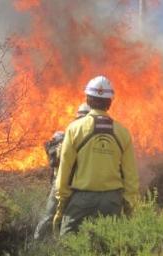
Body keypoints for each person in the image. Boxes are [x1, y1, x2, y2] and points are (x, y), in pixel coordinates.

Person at [54, 75, 139, 236]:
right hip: (112, 200)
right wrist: (129, 205)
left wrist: (62, 203)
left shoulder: (74, 129)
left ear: (88, 99)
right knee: (110, 245)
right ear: (110, 102)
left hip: (81, 200)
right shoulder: (123, 132)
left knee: (69, 245)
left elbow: (64, 170)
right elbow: (131, 176)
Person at [34, 103, 91, 240]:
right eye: (80, 118)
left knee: (72, 220)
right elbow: (56, 158)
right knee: (49, 216)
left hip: (80, 186)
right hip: (62, 183)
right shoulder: (68, 135)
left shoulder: (91, 139)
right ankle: (37, 243)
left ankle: (63, 244)